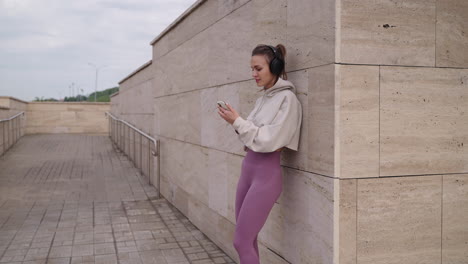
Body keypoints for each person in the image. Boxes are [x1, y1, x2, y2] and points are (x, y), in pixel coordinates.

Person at [217, 44, 302, 264]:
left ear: (275, 66)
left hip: (266, 176)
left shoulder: (288, 100)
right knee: (248, 239)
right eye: (252, 69)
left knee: (241, 242)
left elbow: (269, 141)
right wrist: (236, 122)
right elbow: (250, 139)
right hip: (248, 170)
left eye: (258, 68)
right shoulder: (262, 99)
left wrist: (238, 121)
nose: (253, 74)